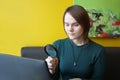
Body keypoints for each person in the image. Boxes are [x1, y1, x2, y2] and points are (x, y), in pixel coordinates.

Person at [45, 5, 106, 80]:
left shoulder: (98, 51)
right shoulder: (58, 45)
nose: (70, 29)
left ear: (85, 25)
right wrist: (51, 70)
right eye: (67, 24)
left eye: (75, 25)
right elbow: (54, 77)